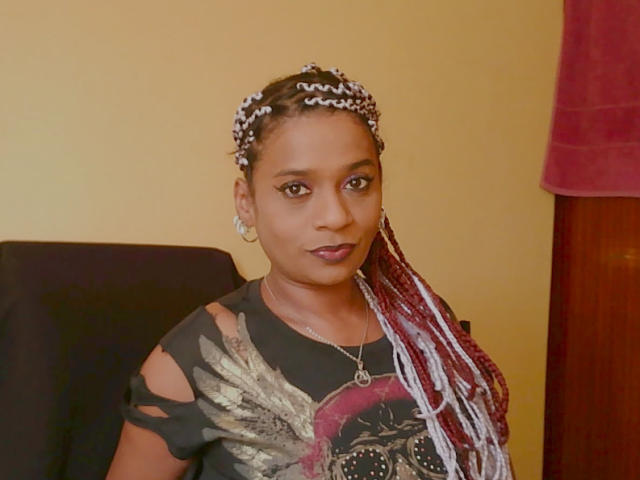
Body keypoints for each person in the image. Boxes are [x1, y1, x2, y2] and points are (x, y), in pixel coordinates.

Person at [106, 63, 512, 480]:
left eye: (357, 182)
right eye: (296, 189)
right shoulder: (194, 359)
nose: (335, 216)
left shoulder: (424, 325)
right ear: (246, 202)